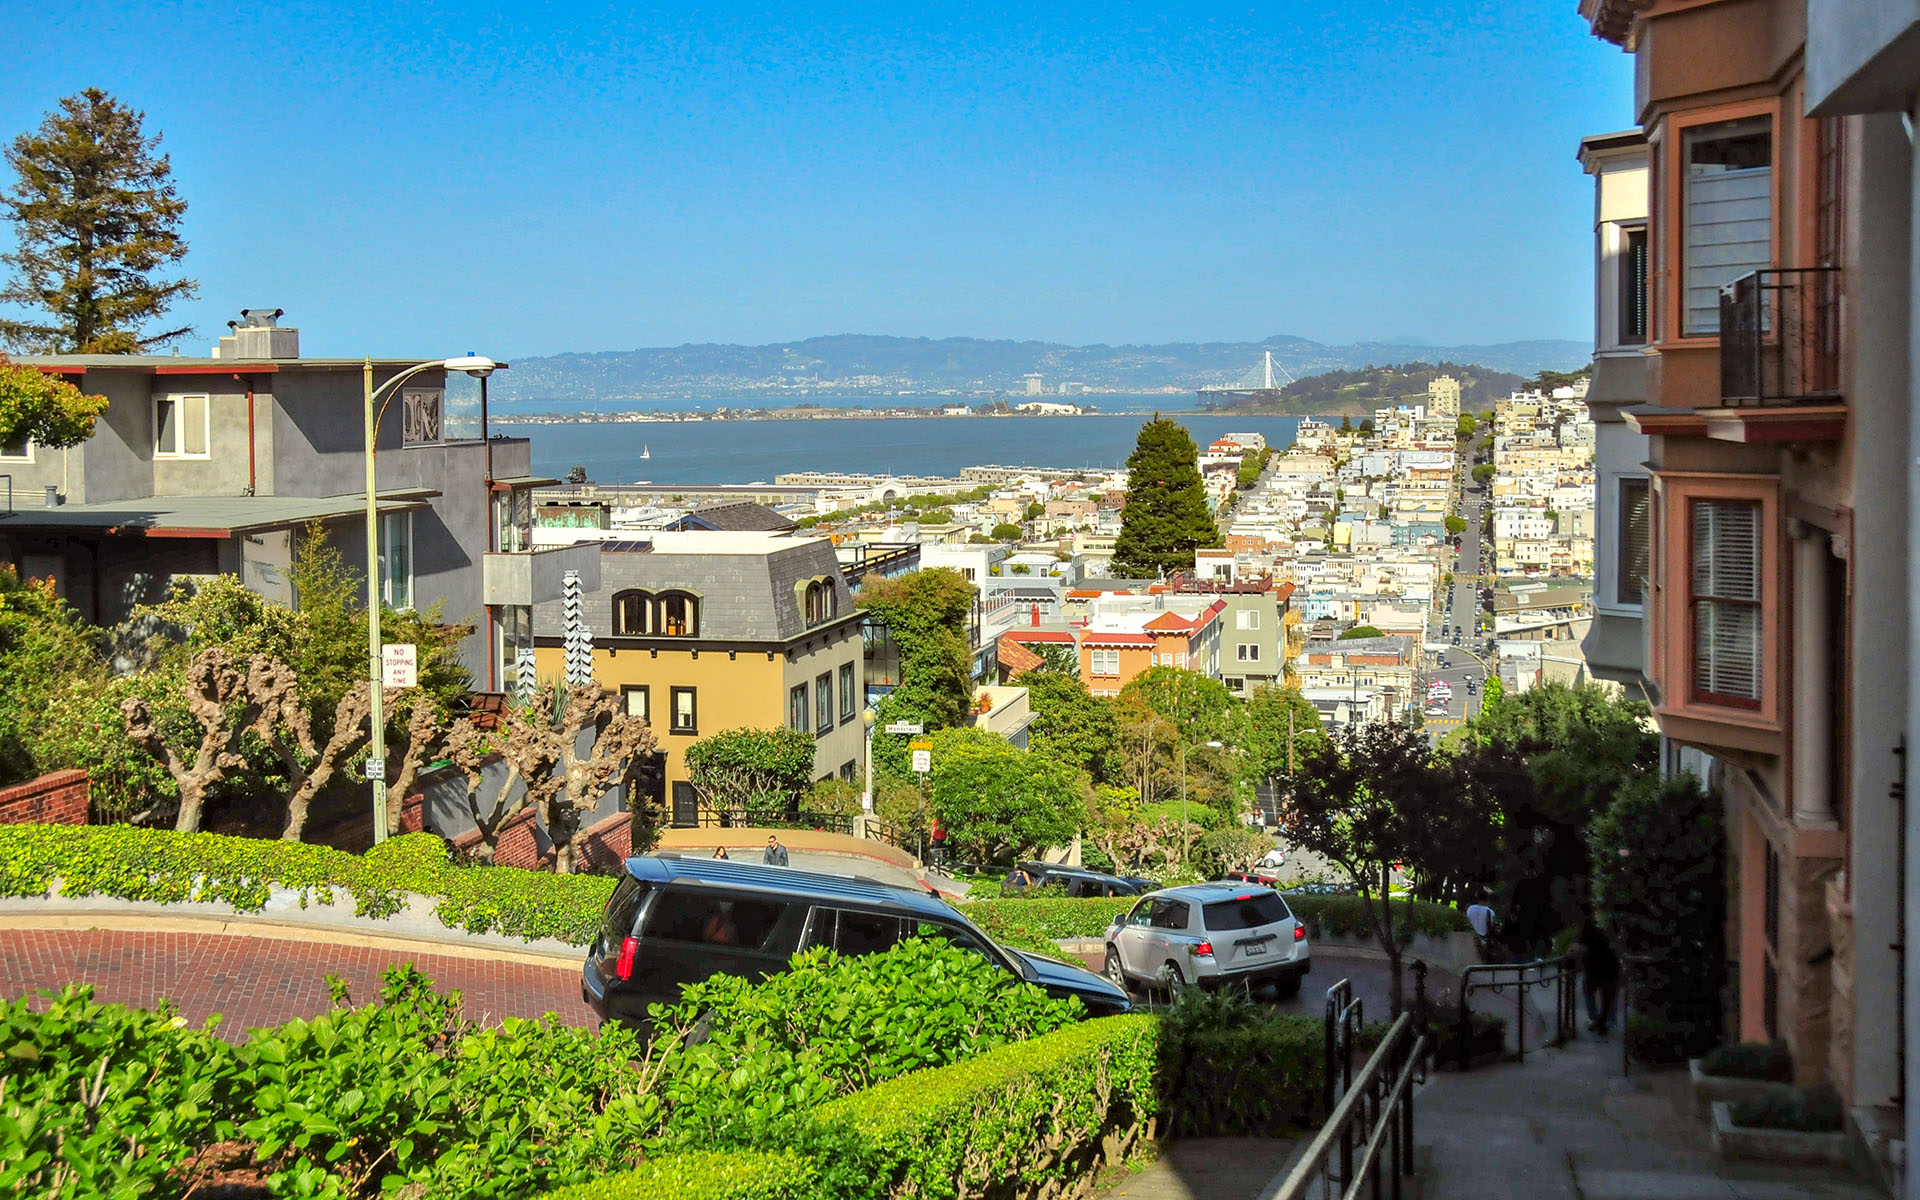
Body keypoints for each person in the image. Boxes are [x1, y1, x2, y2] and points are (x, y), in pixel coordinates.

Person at [1575, 918, 1621, 1035]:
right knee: (1608, 998)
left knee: (1589, 991)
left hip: (1594, 971)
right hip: (1610, 969)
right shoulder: (1604, 936)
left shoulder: (1586, 937)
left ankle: (1596, 1019)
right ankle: (1604, 1020)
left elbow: (1577, 951)